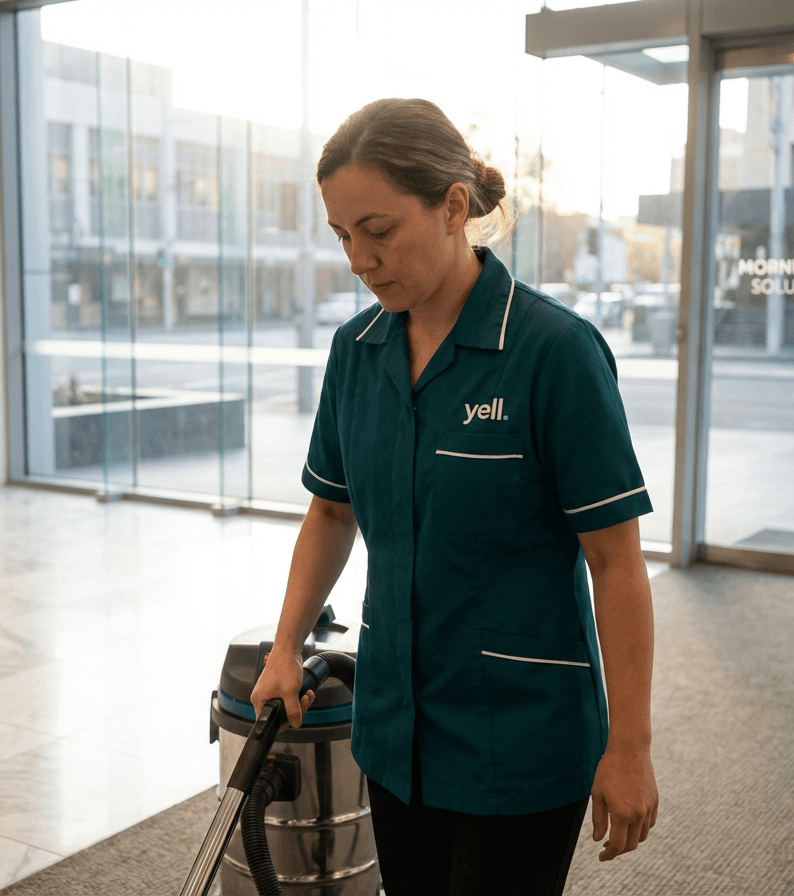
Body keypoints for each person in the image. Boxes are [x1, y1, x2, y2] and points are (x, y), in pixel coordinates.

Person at [250, 97, 658, 896]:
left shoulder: (554, 353)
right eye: (341, 236)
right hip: (397, 729)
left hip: (523, 733)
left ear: (453, 207)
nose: (359, 259)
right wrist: (282, 647)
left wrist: (632, 745)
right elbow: (332, 511)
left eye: (378, 230)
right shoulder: (355, 352)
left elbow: (615, 561)